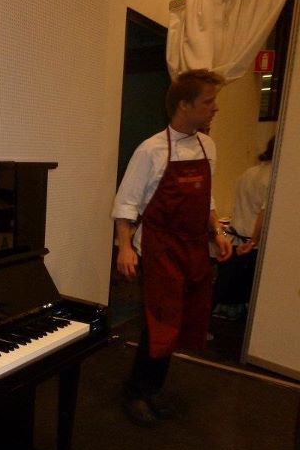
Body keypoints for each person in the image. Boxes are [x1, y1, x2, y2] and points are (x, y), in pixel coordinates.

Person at [112, 69, 233, 427]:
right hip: (160, 248)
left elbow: (207, 199)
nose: (215, 109)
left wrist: (217, 232)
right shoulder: (150, 150)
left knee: (180, 322)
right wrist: (125, 248)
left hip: (193, 248)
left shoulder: (207, 146)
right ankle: (136, 391)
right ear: (184, 105)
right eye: (208, 102)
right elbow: (126, 204)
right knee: (159, 322)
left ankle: (152, 388)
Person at [213, 137, 274, 320]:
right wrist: (254, 240)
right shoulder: (273, 178)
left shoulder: (249, 172)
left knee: (226, 295)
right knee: (241, 300)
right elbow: (263, 213)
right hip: (250, 244)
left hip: (235, 237)